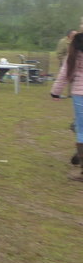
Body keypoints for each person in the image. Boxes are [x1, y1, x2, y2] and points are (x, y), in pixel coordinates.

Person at [51, 32, 83, 183]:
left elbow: (64, 74)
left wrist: (55, 92)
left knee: (81, 130)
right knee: (78, 125)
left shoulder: (74, 53)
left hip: (79, 94)